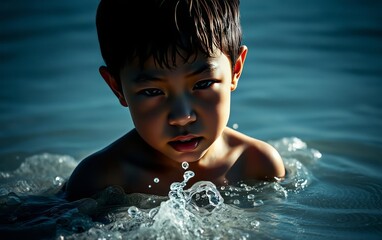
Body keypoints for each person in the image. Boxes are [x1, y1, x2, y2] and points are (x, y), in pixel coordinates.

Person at [65, 0, 285, 201]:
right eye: (152, 91)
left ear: (235, 70)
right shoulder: (99, 180)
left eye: (203, 84)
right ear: (117, 88)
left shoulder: (258, 165)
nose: (182, 117)